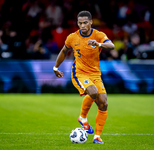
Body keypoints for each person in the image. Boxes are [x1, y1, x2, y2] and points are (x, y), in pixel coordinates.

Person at [53, 10, 115, 144]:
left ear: (91, 22)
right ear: (77, 23)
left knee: (103, 103)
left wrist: (98, 44)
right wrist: (55, 67)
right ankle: (83, 118)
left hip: (95, 74)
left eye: (85, 23)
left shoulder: (98, 35)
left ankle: (97, 137)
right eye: (80, 23)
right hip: (79, 73)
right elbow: (64, 51)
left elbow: (111, 45)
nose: (83, 26)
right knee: (93, 92)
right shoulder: (72, 37)